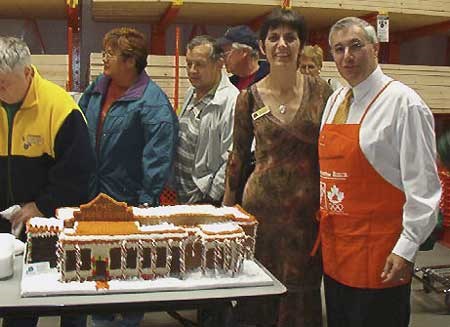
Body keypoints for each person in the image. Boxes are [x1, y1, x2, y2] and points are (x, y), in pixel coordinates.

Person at [317, 17, 441, 327]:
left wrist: (406, 248)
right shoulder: (335, 100)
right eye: (339, 49)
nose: (348, 56)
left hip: (381, 254)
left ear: (375, 48)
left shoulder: (404, 104)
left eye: (356, 46)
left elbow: (424, 189)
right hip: (336, 252)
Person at [223, 8, 332, 327]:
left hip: (307, 217)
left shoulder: (323, 93)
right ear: (262, 47)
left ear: (301, 45)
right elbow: (238, 157)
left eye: (290, 37)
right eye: (274, 38)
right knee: (258, 293)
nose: (282, 44)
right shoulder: (248, 98)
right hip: (261, 213)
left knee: (302, 295)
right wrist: (227, 214)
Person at [79, 27, 178, 327]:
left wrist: (144, 205)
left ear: (131, 61)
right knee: (97, 265)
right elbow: (80, 125)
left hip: (129, 203)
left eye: (110, 53)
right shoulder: (98, 87)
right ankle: (100, 315)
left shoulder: (153, 104)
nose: (103, 59)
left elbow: (158, 160)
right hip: (93, 197)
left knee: (128, 271)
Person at [0, 37, 94, 327]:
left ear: (27, 73)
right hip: (10, 230)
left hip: (57, 226)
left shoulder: (60, 108)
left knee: (70, 302)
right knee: (15, 308)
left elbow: (79, 174)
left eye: (3, 83)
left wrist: (40, 206)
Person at [174, 35, 239, 206]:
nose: (192, 70)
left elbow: (231, 159)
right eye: (189, 64)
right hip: (184, 194)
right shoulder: (192, 91)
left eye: (200, 65)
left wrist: (210, 198)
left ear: (219, 64)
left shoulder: (231, 101)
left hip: (204, 198)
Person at [217, 25, 269, 91]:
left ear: (244, 52)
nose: (222, 58)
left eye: (225, 53)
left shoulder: (270, 78)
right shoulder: (229, 85)